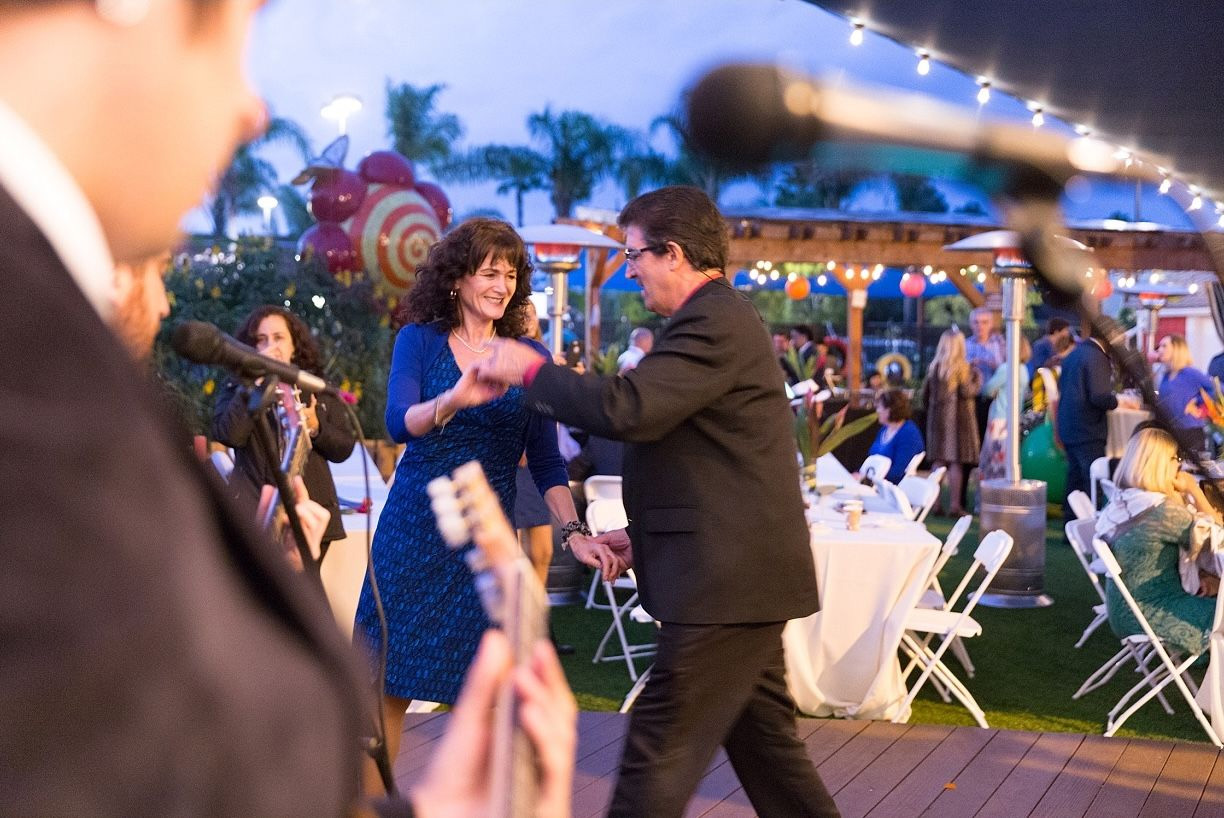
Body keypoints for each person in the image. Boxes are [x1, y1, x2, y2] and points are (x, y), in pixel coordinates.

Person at [0, 3, 573, 815]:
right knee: (384, 683)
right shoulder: (34, 357)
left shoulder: (46, 324)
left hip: (467, 544)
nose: (252, 108)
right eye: (227, 38)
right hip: (416, 528)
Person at [476, 186, 840, 818]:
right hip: (733, 580)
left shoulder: (714, 321)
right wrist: (642, 538)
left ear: (672, 253)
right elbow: (704, 467)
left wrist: (527, 369)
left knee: (658, 754)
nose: (629, 269)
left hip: (724, 586)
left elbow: (629, 409)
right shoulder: (709, 322)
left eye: (634, 254)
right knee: (769, 758)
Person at [352, 217, 616, 792]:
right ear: (456, 280)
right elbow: (400, 423)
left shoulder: (527, 356)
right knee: (383, 689)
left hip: (486, 544)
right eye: (489, 271)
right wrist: (455, 396)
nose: (502, 284)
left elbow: (546, 462)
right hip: (413, 533)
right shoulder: (418, 340)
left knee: (490, 694)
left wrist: (574, 532)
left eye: (511, 273)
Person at [212, 305, 356, 563]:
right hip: (254, 511)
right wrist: (256, 379)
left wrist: (316, 426)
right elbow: (228, 435)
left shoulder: (315, 388)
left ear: (293, 346)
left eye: (279, 338)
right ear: (251, 348)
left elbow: (343, 448)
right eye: (261, 340)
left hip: (310, 513)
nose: (271, 347)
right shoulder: (238, 388)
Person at [1095, 427, 1220, 657]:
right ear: (1161, 463)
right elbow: (1217, 537)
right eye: (1177, 459)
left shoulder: (1123, 501)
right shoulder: (1161, 511)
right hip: (1154, 611)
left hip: (1123, 609)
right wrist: (1193, 489)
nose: (1180, 465)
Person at [1055, 326, 1140, 520]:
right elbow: (1099, 397)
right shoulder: (1097, 358)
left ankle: (1071, 526)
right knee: (1092, 481)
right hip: (1088, 428)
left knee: (1074, 480)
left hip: (1070, 425)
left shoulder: (1074, 354)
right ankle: (1093, 526)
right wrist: (1118, 401)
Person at [922, 328, 981, 517]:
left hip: (936, 421)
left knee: (938, 463)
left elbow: (924, 395)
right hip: (957, 423)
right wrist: (977, 378)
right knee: (955, 463)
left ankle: (935, 503)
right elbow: (968, 392)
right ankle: (955, 506)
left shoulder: (934, 367)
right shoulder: (962, 368)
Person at [978, 336, 1032, 486]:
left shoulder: (1006, 368)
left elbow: (988, 390)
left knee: (993, 459)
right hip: (1014, 418)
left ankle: (990, 492)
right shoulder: (1023, 370)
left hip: (999, 419)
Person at [854, 388, 924, 485]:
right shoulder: (884, 429)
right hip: (874, 481)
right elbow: (871, 458)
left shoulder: (908, 434)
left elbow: (897, 472)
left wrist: (866, 478)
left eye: (880, 407)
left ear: (890, 409)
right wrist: (859, 473)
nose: (877, 411)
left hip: (889, 488)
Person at [1155, 334, 1213, 435]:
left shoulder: (1190, 373)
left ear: (1177, 349)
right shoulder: (1166, 376)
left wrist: (1197, 401)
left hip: (1189, 432)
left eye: (1164, 346)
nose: (1159, 350)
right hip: (1169, 431)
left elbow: (1218, 389)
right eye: (1159, 346)